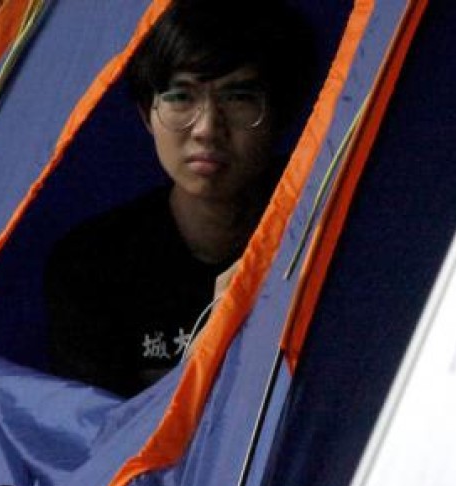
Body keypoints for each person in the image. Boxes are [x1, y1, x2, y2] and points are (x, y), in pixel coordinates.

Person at [44, 0, 314, 397]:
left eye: (238, 97)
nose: (207, 128)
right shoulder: (91, 267)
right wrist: (205, 358)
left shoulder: (320, 225)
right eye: (180, 97)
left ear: (281, 114)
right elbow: (97, 439)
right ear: (146, 113)